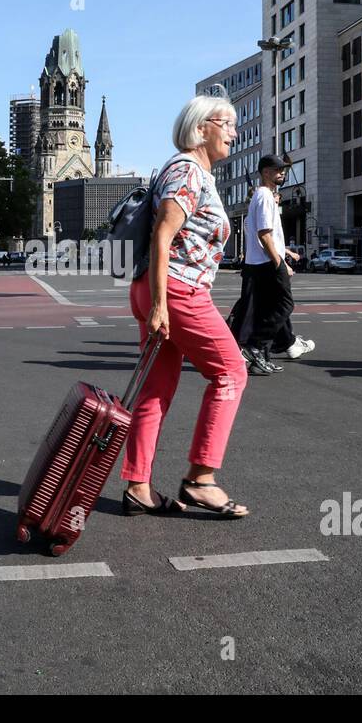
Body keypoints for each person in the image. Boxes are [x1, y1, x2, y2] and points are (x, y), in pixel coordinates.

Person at [123, 94, 250, 519]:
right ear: (201, 129)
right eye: (226, 123)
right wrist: (161, 305)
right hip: (176, 291)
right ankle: (201, 479)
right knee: (231, 373)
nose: (234, 131)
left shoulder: (186, 171)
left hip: (158, 287)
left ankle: (138, 485)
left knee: (156, 390)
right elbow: (163, 234)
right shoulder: (187, 170)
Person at [232, 155, 315, 376]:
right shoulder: (265, 197)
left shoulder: (263, 196)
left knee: (264, 309)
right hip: (267, 263)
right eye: (278, 170)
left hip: (260, 262)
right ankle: (255, 347)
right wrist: (279, 262)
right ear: (265, 172)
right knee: (284, 305)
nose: (283, 173)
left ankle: (263, 353)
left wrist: (283, 253)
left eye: (284, 170)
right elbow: (265, 234)